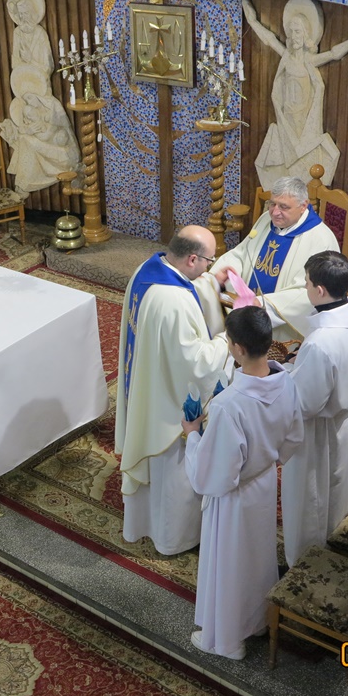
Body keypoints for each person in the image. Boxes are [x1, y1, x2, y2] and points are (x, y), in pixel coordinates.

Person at [182, 306, 304, 659]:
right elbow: (294, 437)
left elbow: (212, 475)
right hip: (263, 484)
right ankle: (257, 620)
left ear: (237, 348)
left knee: (231, 564)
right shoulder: (286, 381)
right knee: (257, 558)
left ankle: (227, 640)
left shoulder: (229, 404)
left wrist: (192, 436)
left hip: (233, 497)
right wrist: (267, 458)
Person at [116, 225, 231, 556]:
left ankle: (144, 522)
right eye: (209, 261)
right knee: (172, 475)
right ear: (192, 258)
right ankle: (173, 538)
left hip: (148, 384)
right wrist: (227, 339)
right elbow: (196, 364)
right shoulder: (174, 301)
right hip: (168, 407)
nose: (209, 267)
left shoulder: (148, 269)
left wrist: (213, 281)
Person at [280, 251, 348, 566]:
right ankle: (340, 547)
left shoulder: (321, 342)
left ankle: (306, 562)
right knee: (341, 490)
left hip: (318, 432)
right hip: (347, 419)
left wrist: (283, 373)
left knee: (312, 500)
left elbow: (305, 403)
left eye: (307, 283)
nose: (305, 287)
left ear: (320, 290)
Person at [242, 0, 348, 188]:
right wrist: (252, 21)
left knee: (303, 155)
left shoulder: (309, 60)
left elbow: (334, 54)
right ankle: (285, 192)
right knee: (286, 158)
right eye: (291, 31)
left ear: (306, 34)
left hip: (304, 119)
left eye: (298, 31)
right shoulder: (286, 56)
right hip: (287, 116)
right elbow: (269, 40)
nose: (294, 36)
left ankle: (303, 193)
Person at [210, 176, 340, 340]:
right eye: (272, 204)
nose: (275, 212)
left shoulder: (320, 239)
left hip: (284, 330)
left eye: (284, 207)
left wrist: (265, 305)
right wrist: (221, 273)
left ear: (303, 206)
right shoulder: (266, 220)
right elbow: (243, 253)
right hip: (247, 311)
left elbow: (310, 293)